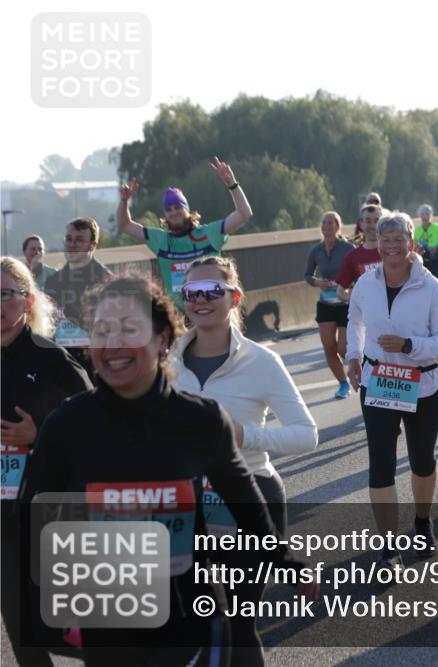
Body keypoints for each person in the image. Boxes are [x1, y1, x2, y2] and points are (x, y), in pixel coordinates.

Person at [19, 274, 316, 666]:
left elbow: (245, 504)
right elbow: (34, 515)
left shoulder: (201, 420)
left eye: (130, 329)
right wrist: (46, 601)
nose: (114, 343)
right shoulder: (67, 425)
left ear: (162, 339)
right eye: (103, 330)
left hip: (190, 621)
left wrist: (287, 563)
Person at [173, 256, 317, 667]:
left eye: (213, 291)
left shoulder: (262, 361)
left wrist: (244, 436)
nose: (201, 300)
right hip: (182, 504)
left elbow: (306, 434)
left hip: (248, 496)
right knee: (187, 624)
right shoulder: (166, 359)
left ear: (234, 297)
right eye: (192, 292)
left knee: (238, 624)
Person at [345, 211, 438, 570]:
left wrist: (409, 345)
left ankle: (422, 522)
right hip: (378, 381)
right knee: (381, 466)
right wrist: (353, 356)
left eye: (399, 240)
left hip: (422, 386)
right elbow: (354, 320)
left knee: (422, 462)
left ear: (411, 243)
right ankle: (389, 546)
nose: (392, 246)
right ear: (377, 243)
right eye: (386, 240)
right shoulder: (366, 283)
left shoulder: (432, 287)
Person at [2, 257, 91, 667]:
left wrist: (38, 435)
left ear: (27, 300)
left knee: (69, 627)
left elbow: (94, 426)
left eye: (5, 294)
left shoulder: (52, 358)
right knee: (20, 627)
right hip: (3, 520)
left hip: (49, 513)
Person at [116, 157, 253, 309]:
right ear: (165, 215)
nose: (173, 212)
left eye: (178, 207)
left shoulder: (208, 234)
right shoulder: (161, 240)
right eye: (169, 209)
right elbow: (124, 225)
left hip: (211, 313)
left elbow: (244, 214)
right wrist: (124, 201)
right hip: (178, 319)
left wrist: (232, 184)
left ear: (187, 210)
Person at [43, 217, 113, 360]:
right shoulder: (53, 281)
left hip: (96, 359)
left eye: (79, 240)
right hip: (61, 360)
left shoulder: (107, 281)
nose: (72, 245)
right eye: (69, 239)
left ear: (93, 245)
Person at [304, 211, 356, 399]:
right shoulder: (316, 250)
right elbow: (307, 275)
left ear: (337, 227)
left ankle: (357, 368)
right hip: (325, 303)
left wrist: (348, 286)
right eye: (324, 223)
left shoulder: (347, 248)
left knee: (343, 348)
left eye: (330, 223)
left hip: (344, 303)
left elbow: (357, 271)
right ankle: (343, 384)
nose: (326, 226)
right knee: (328, 347)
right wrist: (317, 282)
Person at [335, 204, 384, 303]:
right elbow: (340, 292)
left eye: (376, 221)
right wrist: (359, 301)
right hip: (367, 313)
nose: (373, 226)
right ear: (361, 224)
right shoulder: (352, 258)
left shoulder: (393, 252)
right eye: (368, 221)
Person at [414, 204, 438, 282]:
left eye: (427, 214)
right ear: (419, 216)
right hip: (423, 264)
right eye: (422, 214)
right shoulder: (417, 231)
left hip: (437, 262)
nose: (425, 216)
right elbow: (413, 248)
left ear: (431, 215)